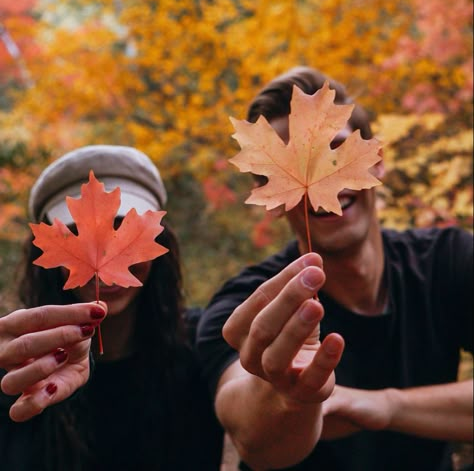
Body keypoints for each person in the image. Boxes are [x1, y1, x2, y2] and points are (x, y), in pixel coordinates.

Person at [196, 66, 473, 471]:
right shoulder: (250, 304)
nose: (318, 178)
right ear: (269, 196)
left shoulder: (448, 261)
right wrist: (288, 396)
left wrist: (386, 405)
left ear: (376, 163)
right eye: (294, 166)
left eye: (336, 151)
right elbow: (253, 440)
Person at [0, 145, 223, 471]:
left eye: (125, 232)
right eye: (77, 235)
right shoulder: (18, 366)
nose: (103, 256)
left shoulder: (203, 344)